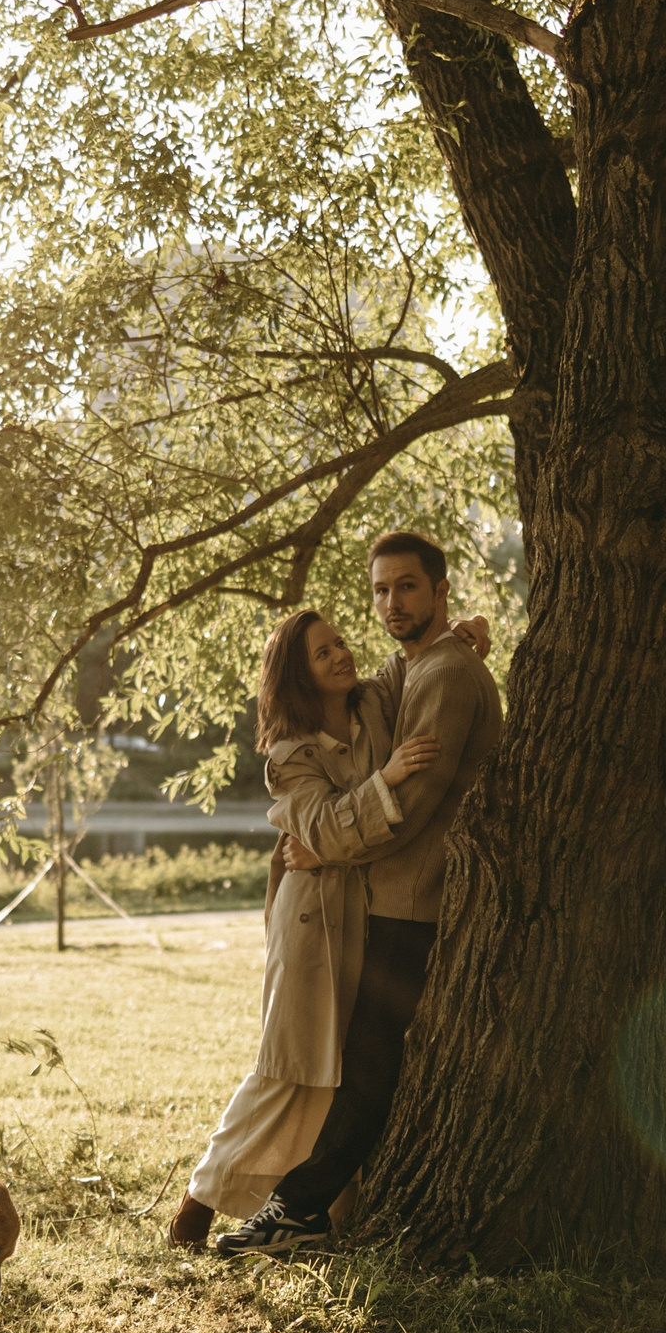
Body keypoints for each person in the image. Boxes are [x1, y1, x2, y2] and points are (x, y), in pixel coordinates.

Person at [215, 530, 503, 1256]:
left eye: (408, 586)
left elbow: (412, 812)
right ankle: (307, 1203)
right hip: (380, 906)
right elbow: (385, 696)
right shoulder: (413, 672)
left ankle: (298, 1208)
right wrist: (468, 633)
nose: (391, 602)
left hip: (414, 903)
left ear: (439, 590)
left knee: (368, 1069)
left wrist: (330, 844)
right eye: (381, 589)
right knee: (351, 1065)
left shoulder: (439, 675)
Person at [166, 607, 440, 1249]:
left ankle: (323, 1213)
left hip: (365, 919)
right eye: (323, 653)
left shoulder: (374, 701)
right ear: (299, 674)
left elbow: (417, 661)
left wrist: (466, 629)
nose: (341, 655)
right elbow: (322, 830)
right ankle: (199, 1200)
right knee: (284, 1067)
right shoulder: (288, 756)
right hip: (311, 923)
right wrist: (390, 777)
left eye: (341, 643)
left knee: (340, 1070)